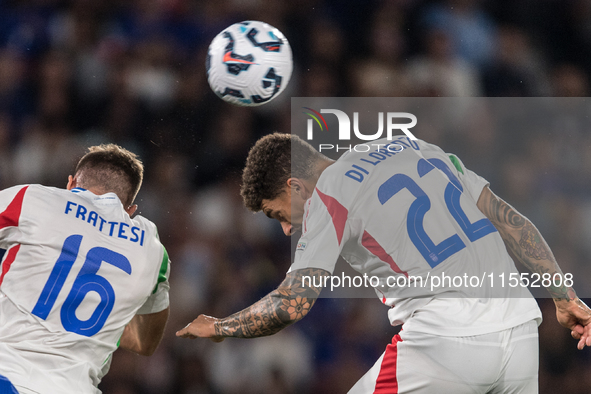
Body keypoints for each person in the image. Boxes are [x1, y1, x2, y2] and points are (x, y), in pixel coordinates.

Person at [177, 133, 591, 393]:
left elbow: (292, 304)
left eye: (278, 214)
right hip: (520, 332)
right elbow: (511, 221)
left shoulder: (329, 194)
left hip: (447, 341)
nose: (286, 230)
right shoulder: (416, 147)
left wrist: (220, 327)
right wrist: (563, 297)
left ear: (295, 186)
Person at [0, 144, 170, 394]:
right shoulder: (152, 249)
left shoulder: (33, 199)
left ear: (70, 185)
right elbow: (145, 342)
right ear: (131, 211)